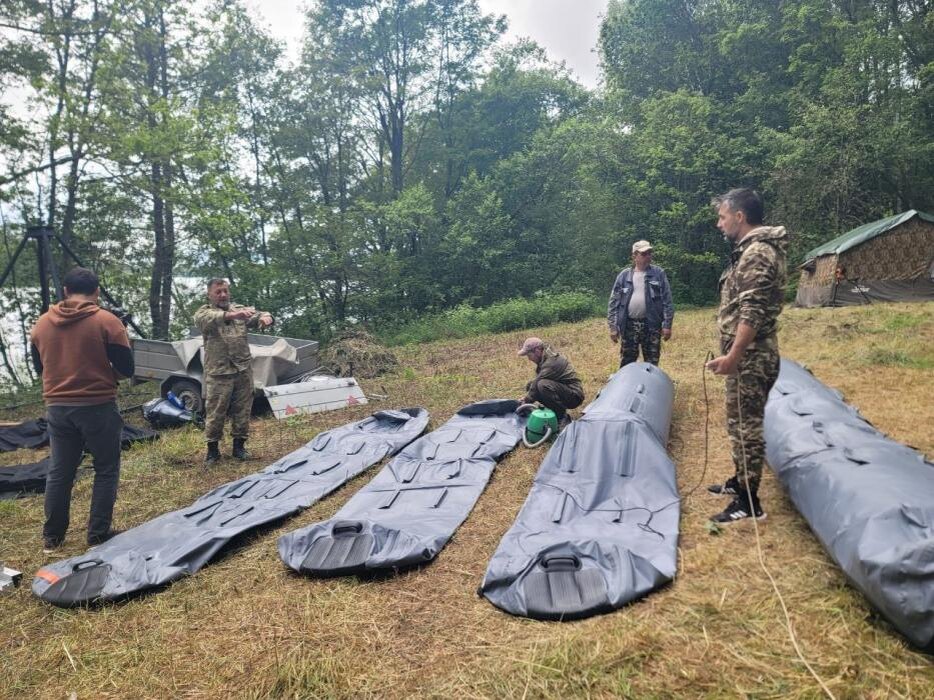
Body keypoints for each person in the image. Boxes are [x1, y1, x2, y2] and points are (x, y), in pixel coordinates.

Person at [30, 267, 134, 552]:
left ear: (65, 291)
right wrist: (107, 376)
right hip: (97, 405)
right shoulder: (107, 322)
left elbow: (40, 368)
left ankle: (52, 538)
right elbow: (127, 368)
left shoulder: (40, 324)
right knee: (106, 468)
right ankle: (98, 534)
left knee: (60, 471)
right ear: (96, 292)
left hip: (58, 408)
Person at [705, 188, 788, 524]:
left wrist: (733, 357)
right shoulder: (750, 251)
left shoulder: (756, 254)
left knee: (746, 427)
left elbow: (751, 312)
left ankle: (748, 502)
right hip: (748, 357)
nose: (719, 224)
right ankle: (739, 480)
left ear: (740, 216)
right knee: (739, 421)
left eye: (723, 217)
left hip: (751, 358)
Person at [193, 279, 274, 464]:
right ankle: (213, 451)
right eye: (218, 292)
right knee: (216, 412)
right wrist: (234, 314)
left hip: (243, 370)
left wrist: (266, 318)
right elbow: (206, 320)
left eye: (225, 291)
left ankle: (239, 447)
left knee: (243, 410)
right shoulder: (204, 312)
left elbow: (259, 314)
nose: (222, 295)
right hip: (219, 372)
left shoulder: (240, 309)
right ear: (210, 295)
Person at [607, 240, 674, 367]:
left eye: (649, 253)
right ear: (634, 256)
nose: (648, 256)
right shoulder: (623, 276)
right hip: (629, 326)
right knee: (627, 362)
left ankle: (651, 386)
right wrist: (613, 327)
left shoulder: (658, 274)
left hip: (652, 325)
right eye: (644, 254)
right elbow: (613, 303)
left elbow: (667, 301)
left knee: (652, 363)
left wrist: (667, 325)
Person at [517, 337, 584, 429]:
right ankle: (553, 411)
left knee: (542, 385)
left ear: (537, 351)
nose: (529, 359)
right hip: (564, 390)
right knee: (531, 385)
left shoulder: (552, 362)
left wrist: (526, 401)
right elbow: (534, 386)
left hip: (574, 396)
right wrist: (526, 400)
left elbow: (538, 383)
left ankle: (562, 416)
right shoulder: (544, 358)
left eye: (529, 355)